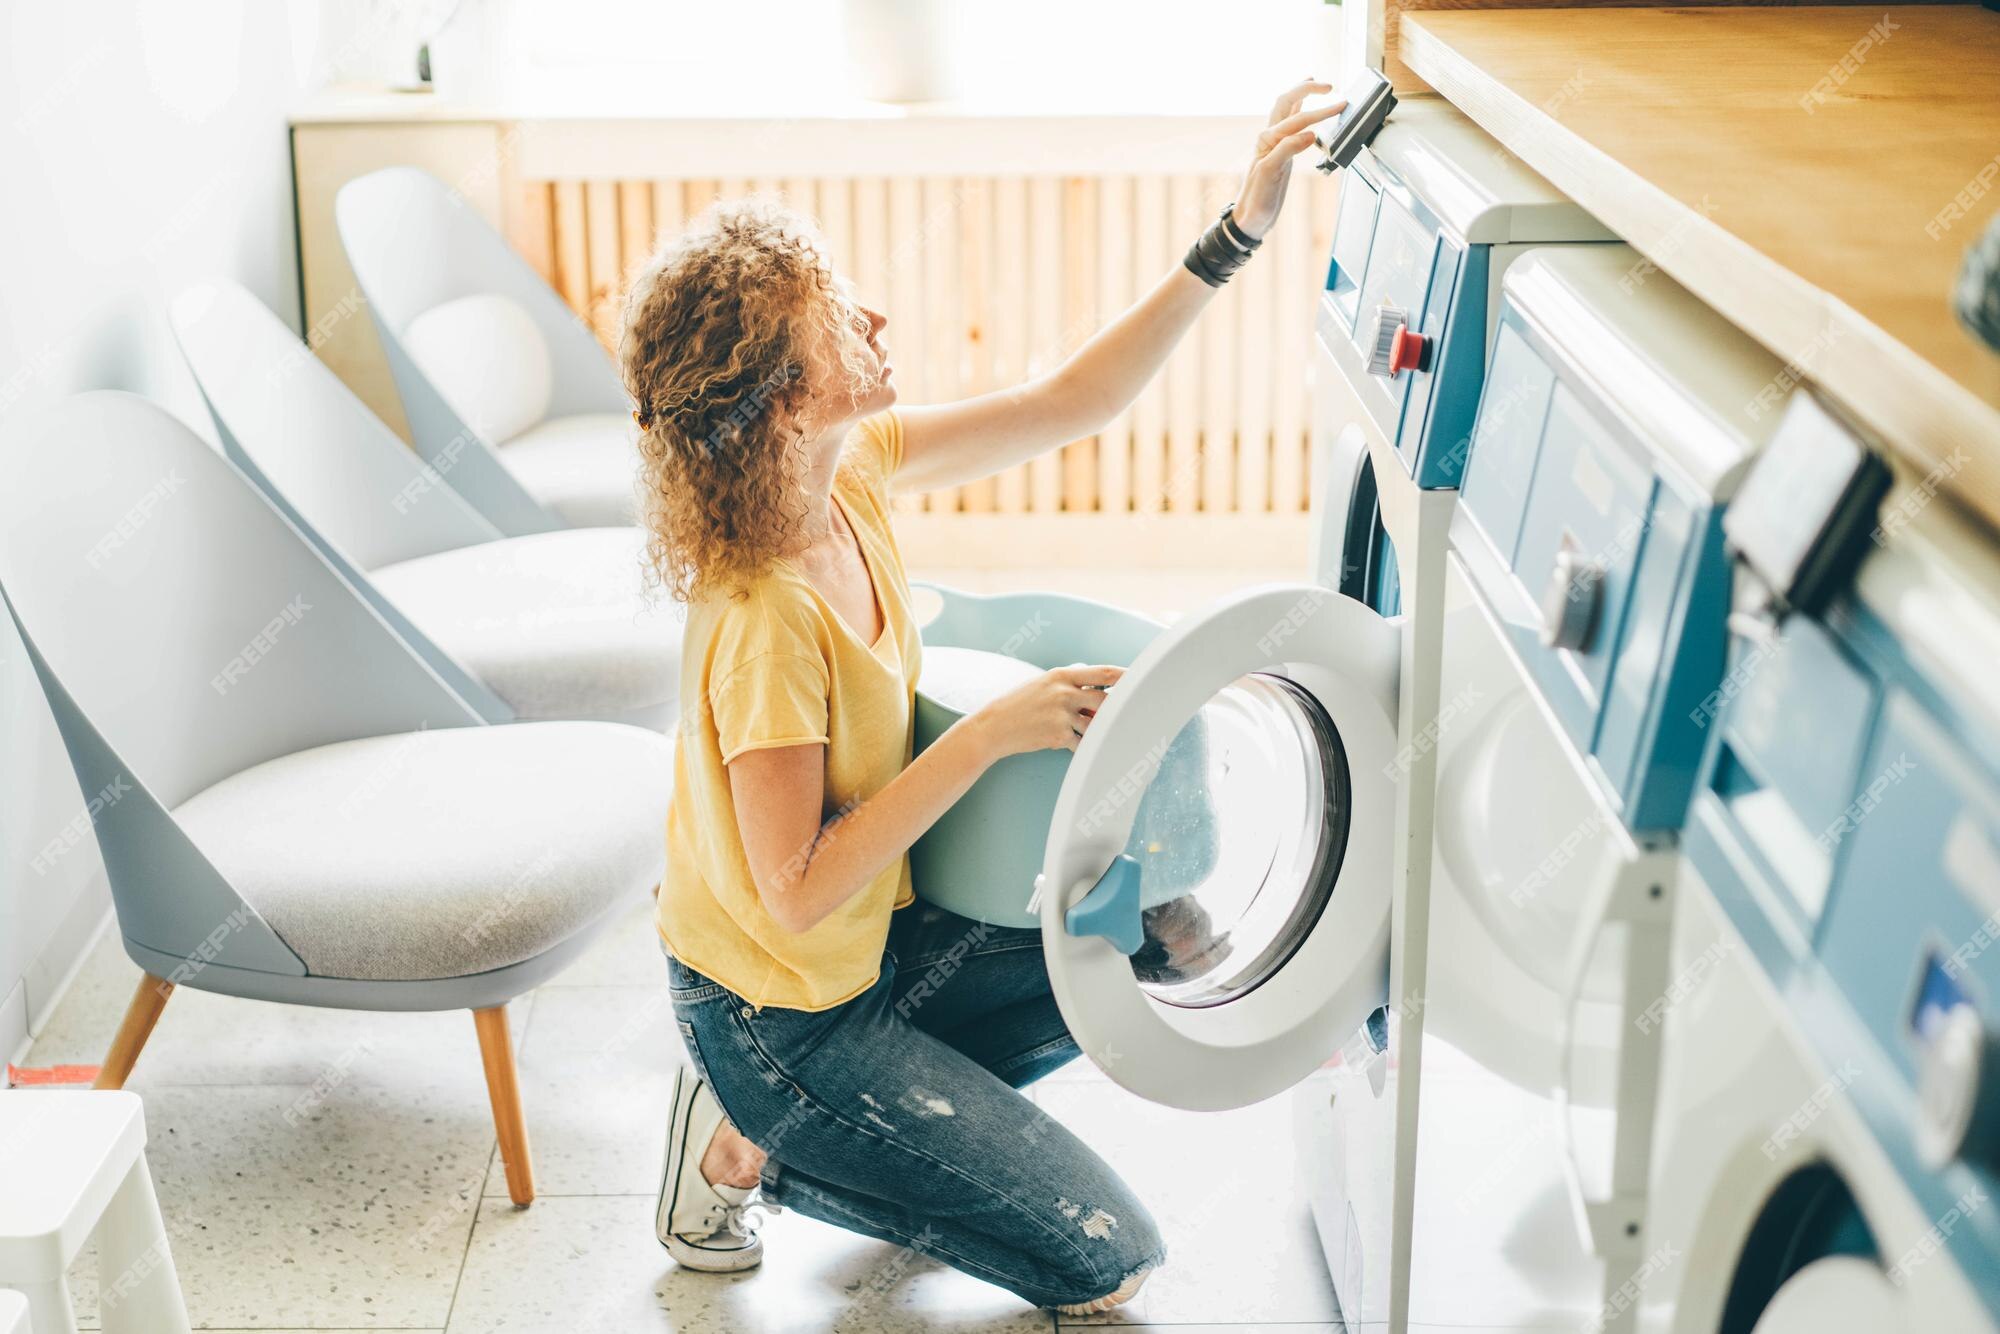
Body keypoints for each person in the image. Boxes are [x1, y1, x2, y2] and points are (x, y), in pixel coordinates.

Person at [621, 80, 1343, 1315]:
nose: (877, 317)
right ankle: (763, 1129)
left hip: (871, 957)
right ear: (788, 402)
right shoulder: (761, 620)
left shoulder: (848, 477)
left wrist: (1238, 231)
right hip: (776, 1011)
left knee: (1119, 921)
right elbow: (792, 893)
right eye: (839, 318)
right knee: (1100, 1254)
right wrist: (996, 736)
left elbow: (1073, 401)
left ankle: (767, 1133)